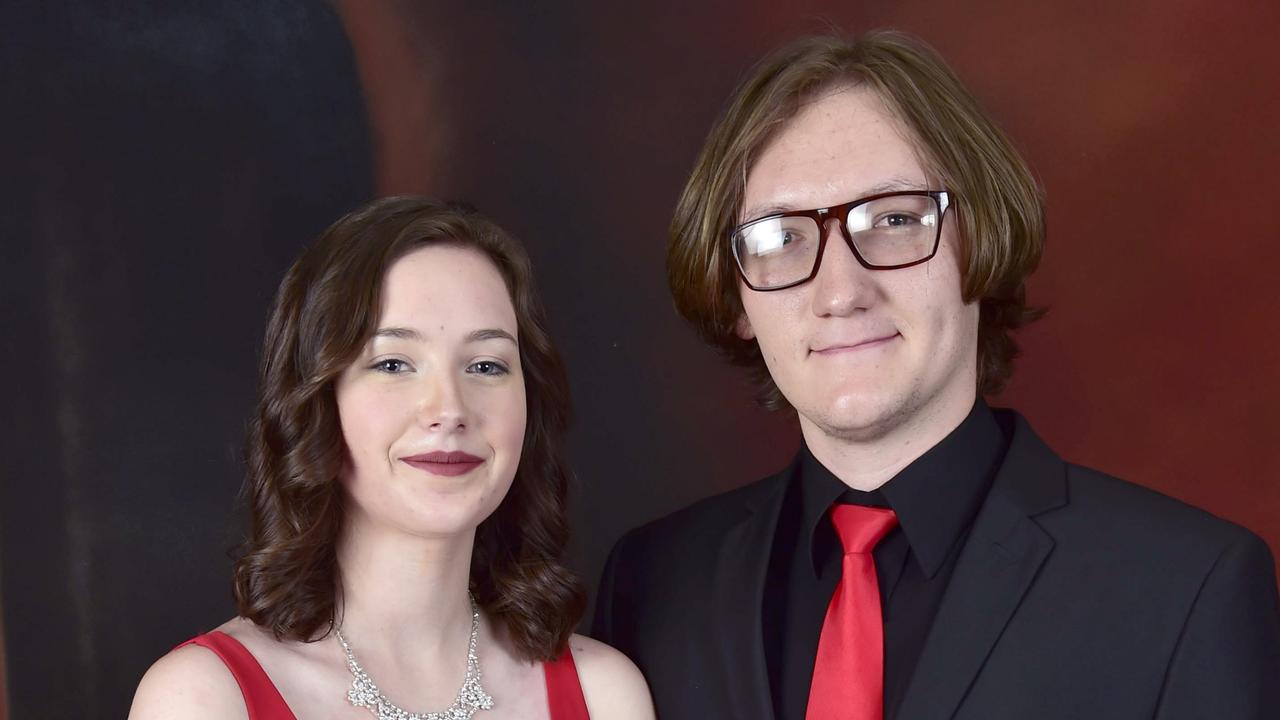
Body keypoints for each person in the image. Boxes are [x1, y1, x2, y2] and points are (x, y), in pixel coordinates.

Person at [592, 30, 1280, 720]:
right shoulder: (652, 582)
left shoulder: (1187, 590)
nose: (840, 291)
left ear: (981, 240)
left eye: (894, 219)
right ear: (736, 296)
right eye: (781, 237)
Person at [130, 197, 653, 720]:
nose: (449, 409)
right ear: (316, 402)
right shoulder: (202, 699)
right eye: (394, 362)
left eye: (488, 365)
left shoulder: (605, 695)